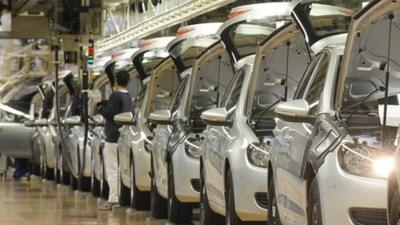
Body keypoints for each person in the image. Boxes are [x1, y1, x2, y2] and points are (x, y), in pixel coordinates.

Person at [97, 70, 132, 210]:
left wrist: (99, 106)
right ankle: (121, 198)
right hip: (123, 137)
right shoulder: (128, 97)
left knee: (111, 169)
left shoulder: (115, 95)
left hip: (112, 137)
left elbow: (109, 114)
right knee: (122, 169)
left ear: (116, 81)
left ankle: (113, 199)